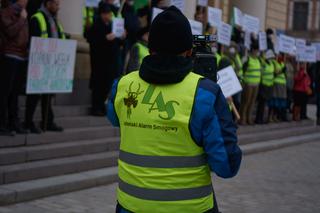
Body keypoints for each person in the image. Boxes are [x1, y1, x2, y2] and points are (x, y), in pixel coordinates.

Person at [107, 6, 242, 213]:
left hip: (130, 207)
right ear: (189, 51)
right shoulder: (205, 94)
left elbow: (114, 118)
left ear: (150, 49)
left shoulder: (122, 86)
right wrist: (223, 114)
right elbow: (227, 166)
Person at [24, 0, 64, 133]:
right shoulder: (37, 18)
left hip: (52, 63)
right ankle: (28, 121)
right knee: (35, 94)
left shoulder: (54, 20)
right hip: (39, 62)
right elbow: (34, 39)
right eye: (56, 4)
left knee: (48, 93)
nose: (58, 7)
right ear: (48, 4)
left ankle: (47, 121)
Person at [88, 2, 126, 116]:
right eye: (105, 13)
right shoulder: (96, 26)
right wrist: (105, 38)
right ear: (101, 14)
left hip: (111, 61)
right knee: (99, 85)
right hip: (100, 61)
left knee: (107, 84)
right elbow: (93, 42)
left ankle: (102, 106)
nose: (108, 16)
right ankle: (96, 107)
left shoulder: (112, 25)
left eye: (109, 13)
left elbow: (119, 42)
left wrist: (122, 36)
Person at [0, 0, 29, 136]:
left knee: (15, 93)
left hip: (21, 56)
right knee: (5, 92)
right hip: (10, 55)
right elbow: (10, 32)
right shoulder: (7, 12)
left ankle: (14, 122)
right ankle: (2, 124)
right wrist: (22, 19)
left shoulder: (22, 12)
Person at [240, 39, 262, 125]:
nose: (258, 52)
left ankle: (249, 119)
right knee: (246, 102)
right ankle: (243, 119)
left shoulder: (258, 60)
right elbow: (242, 71)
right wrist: (242, 82)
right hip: (248, 84)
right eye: (257, 50)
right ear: (253, 50)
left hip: (256, 84)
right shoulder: (247, 59)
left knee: (252, 102)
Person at [255, 50, 275, 124]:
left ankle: (262, 118)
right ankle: (258, 119)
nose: (272, 58)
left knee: (265, 104)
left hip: (269, 86)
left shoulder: (271, 64)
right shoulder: (264, 64)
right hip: (263, 85)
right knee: (261, 103)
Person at [272, 53, 288, 122]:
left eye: (282, 56)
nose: (281, 57)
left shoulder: (282, 64)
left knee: (282, 101)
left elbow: (285, 75)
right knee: (276, 101)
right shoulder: (275, 63)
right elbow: (275, 73)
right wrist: (282, 71)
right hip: (277, 83)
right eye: (279, 56)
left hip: (283, 84)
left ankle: (280, 116)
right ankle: (274, 116)